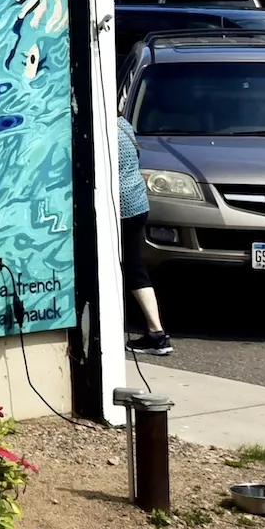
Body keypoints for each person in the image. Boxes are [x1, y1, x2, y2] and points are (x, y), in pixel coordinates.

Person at [117, 113, 173, 355]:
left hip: (121, 207)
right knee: (134, 265)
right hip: (138, 203)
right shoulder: (122, 124)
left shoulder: (101, 129)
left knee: (132, 269)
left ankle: (156, 333)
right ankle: (156, 333)